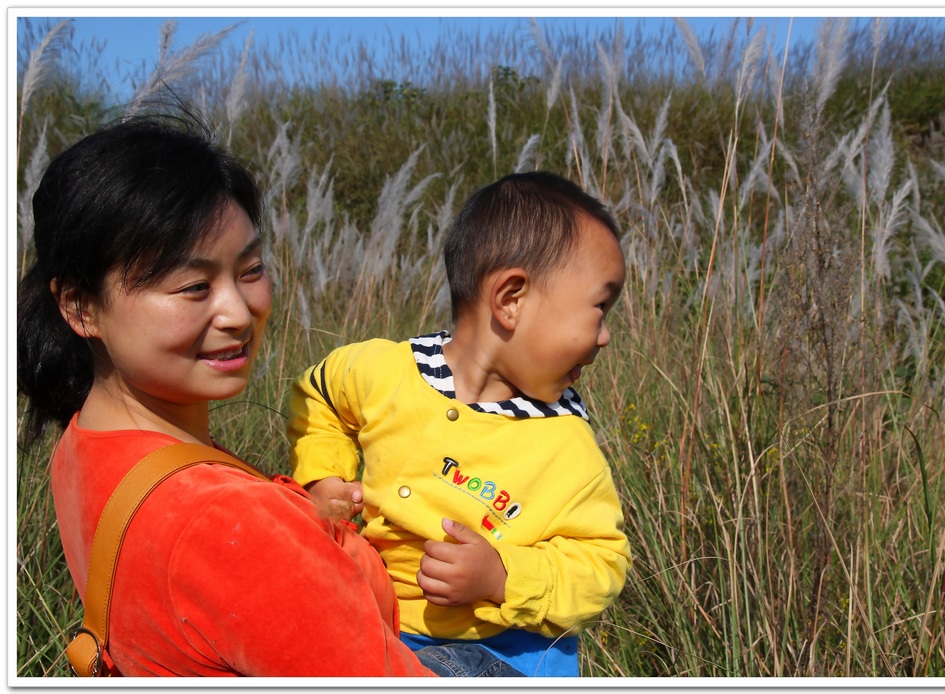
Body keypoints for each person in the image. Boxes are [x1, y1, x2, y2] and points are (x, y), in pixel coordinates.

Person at [16, 114, 522, 677]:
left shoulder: (86, 440)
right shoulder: (229, 523)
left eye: (251, 269)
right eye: (194, 287)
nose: (239, 313)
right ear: (81, 308)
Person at [287, 171, 633, 677]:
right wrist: (323, 477)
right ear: (511, 299)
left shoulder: (565, 442)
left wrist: (503, 578)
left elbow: (603, 563)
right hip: (376, 621)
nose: (604, 337)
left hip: (502, 650)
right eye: (599, 309)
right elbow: (317, 391)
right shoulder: (386, 372)